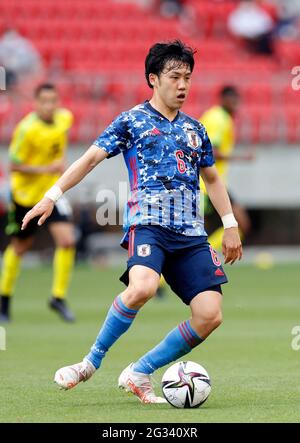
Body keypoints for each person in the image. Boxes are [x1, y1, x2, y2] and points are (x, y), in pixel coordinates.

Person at [22, 41, 242, 404]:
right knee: (142, 287)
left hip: (190, 234)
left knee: (210, 314)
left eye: (187, 77)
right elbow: (90, 159)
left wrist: (230, 223)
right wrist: (51, 196)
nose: (183, 85)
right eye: (175, 77)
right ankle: (90, 362)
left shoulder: (195, 129)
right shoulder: (132, 120)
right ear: (153, 79)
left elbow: (213, 179)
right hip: (149, 225)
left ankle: (139, 371)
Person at [0, 83, 76, 323]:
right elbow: (13, 165)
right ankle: (4, 298)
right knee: (20, 248)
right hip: (25, 197)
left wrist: (58, 165)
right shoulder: (26, 129)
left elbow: (59, 142)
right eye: (44, 101)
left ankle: (58, 297)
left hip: (51, 194)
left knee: (67, 241)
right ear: (36, 103)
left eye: (53, 101)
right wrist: (46, 167)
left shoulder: (65, 118)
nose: (49, 106)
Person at [200, 86, 252, 252]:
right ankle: (206, 253)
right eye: (232, 100)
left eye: (237, 100)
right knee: (241, 223)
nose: (235, 104)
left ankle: (205, 253)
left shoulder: (221, 117)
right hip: (206, 184)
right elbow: (211, 152)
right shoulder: (218, 119)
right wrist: (240, 158)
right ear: (223, 99)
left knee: (240, 224)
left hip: (213, 182)